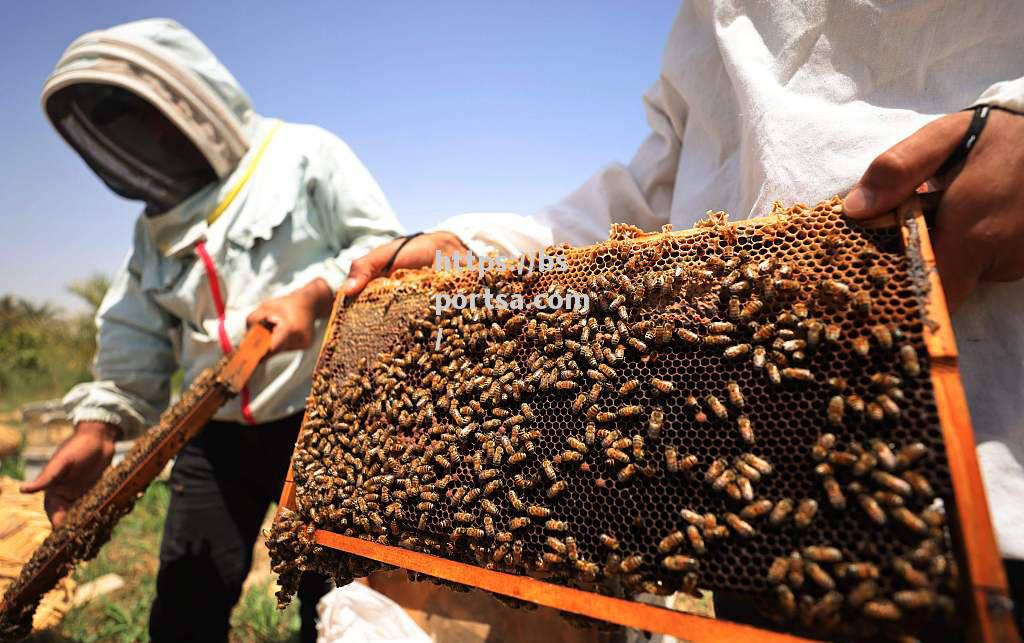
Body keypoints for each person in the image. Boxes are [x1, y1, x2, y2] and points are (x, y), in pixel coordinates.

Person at [342, 0, 1024, 630]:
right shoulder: (706, 16)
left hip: (976, 424)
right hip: (753, 470)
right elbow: (653, 198)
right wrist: (476, 253)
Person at [20, 18, 403, 643]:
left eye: (144, 117)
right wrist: (99, 428)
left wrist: (315, 294)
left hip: (324, 424)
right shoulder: (156, 229)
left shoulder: (305, 154)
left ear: (188, 99)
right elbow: (132, 331)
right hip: (212, 434)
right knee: (185, 607)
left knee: (334, 603)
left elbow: (384, 249)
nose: (139, 138)